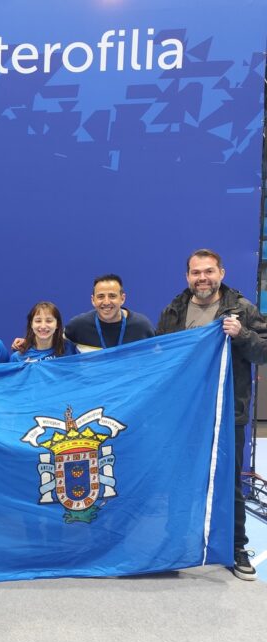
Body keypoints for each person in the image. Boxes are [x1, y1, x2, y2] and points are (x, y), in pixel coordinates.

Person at [157, 248, 267, 581]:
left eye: (208, 271)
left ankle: (236, 547)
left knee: (229, 483)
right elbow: (160, 356)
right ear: (187, 276)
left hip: (227, 412)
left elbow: (262, 352)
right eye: (195, 272)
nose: (202, 278)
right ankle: (174, 545)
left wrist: (241, 335)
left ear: (221, 272)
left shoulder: (243, 309)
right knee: (178, 480)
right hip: (186, 413)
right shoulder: (174, 311)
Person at [64, 274, 155, 351]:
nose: (106, 302)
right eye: (100, 296)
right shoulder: (78, 326)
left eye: (112, 296)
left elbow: (158, 358)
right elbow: (56, 348)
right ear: (93, 300)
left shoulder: (142, 326)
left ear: (122, 299)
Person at [11, 301, 78, 362]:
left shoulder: (69, 348)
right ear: (31, 324)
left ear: (57, 324)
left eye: (49, 321)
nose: (43, 326)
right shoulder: (18, 358)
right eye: (38, 321)